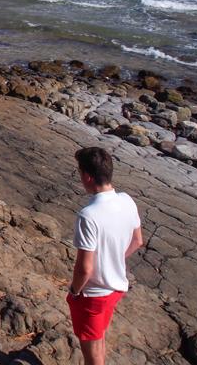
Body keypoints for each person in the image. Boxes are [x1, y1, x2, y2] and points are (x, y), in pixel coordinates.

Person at [67, 147, 143, 365]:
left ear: (88, 177)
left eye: (80, 172)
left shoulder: (88, 216)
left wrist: (74, 291)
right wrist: (114, 260)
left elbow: (85, 268)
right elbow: (138, 240)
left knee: (91, 352)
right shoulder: (127, 200)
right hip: (116, 289)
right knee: (98, 338)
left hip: (93, 294)